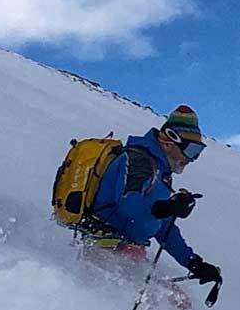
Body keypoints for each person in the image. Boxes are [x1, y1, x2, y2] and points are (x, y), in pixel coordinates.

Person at [78, 105, 223, 293]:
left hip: (127, 250)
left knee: (176, 302)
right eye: (191, 150)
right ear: (168, 140)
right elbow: (128, 205)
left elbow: (163, 226)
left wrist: (194, 263)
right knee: (163, 304)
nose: (191, 159)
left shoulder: (161, 174)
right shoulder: (138, 160)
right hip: (105, 245)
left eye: (198, 152)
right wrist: (165, 208)